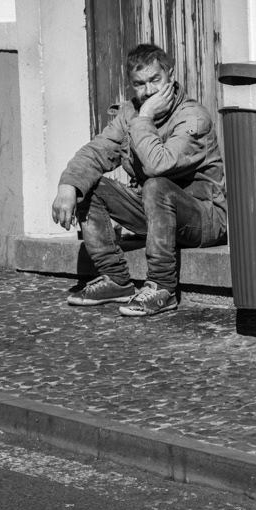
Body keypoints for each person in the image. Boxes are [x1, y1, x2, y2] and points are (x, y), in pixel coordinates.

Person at [51, 44, 227, 316]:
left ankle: (162, 287)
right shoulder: (129, 114)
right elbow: (97, 151)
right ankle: (116, 280)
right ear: (131, 85)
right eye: (139, 84)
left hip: (203, 220)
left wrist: (145, 118)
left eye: (155, 80)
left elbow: (159, 164)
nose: (149, 91)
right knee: (88, 185)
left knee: (156, 185)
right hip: (155, 215)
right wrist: (68, 184)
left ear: (170, 74)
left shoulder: (193, 117)